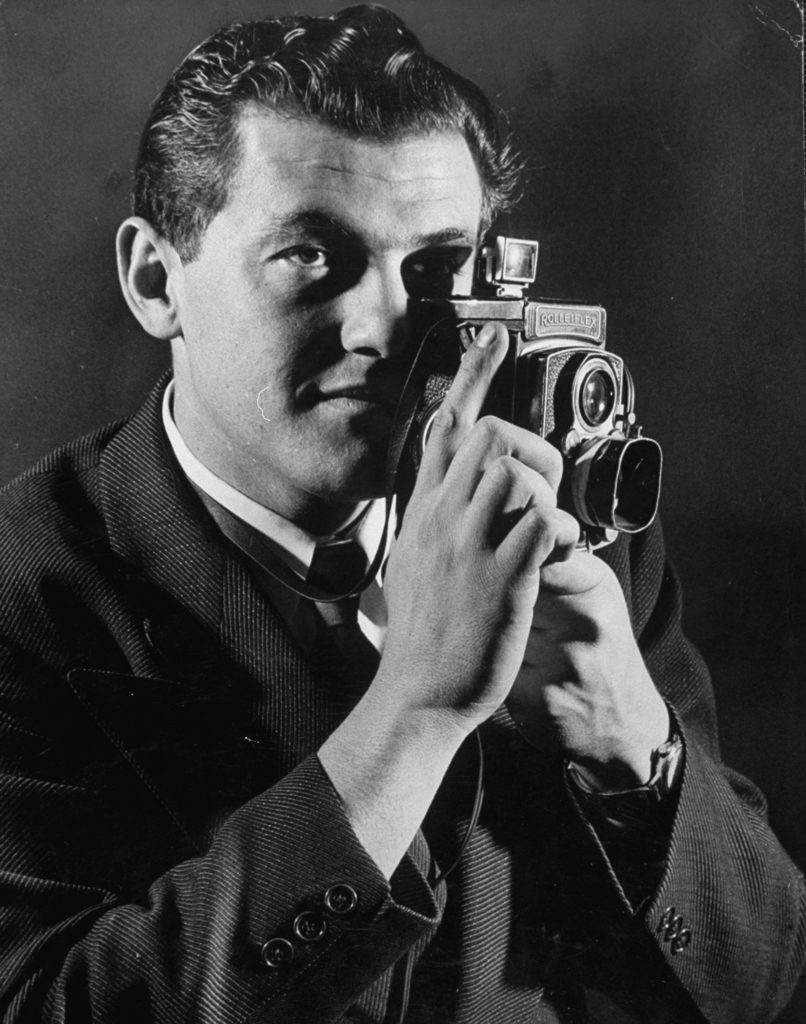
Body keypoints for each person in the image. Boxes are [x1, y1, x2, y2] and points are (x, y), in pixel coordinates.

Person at [0, 5, 803, 1022]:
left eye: (435, 267)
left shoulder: (566, 521)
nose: (387, 325)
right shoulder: (24, 593)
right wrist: (410, 713)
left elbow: (770, 983)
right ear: (156, 280)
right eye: (309, 256)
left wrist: (629, 738)